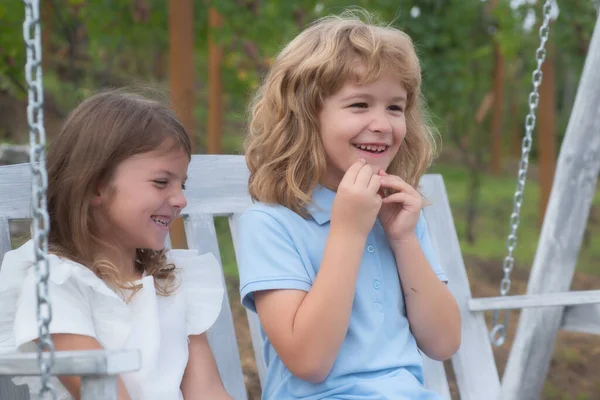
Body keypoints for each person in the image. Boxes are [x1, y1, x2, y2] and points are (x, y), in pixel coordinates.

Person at [236, 10, 461, 400]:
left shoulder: (397, 217)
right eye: (359, 105)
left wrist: (405, 240)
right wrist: (347, 230)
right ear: (304, 117)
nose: (382, 124)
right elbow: (309, 361)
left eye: (395, 107)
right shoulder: (271, 224)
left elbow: (443, 343)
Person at [0, 89, 232, 400]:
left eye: (182, 184)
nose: (181, 199)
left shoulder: (171, 280)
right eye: (162, 182)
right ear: (97, 186)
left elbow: (209, 394)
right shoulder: (57, 286)